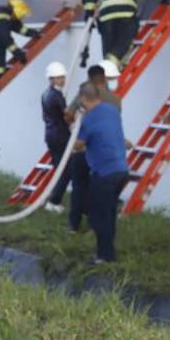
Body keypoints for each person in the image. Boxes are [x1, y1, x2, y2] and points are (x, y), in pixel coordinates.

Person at [60, 63, 123, 232]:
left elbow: (68, 115)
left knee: (79, 187)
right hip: (105, 153)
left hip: (83, 149)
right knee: (99, 190)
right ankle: (95, 225)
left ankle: (73, 225)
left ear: (89, 79)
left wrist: (75, 124)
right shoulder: (116, 100)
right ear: (105, 79)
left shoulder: (84, 96)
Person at [73, 83, 131, 263]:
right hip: (122, 171)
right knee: (109, 212)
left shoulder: (88, 120)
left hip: (104, 173)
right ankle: (108, 253)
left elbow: (78, 145)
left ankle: (104, 256)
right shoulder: (112, 110)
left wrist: (76, 126)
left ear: (83, 99)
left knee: (98, 215)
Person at [81, 0, 170, 69]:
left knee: (108, 47)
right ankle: (115, 61)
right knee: (126, 39)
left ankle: (110, 68)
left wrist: (89, 13)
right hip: (126, 15)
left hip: (106, 19)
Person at [42, 62, 72, 212]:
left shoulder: (46, 94)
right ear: (52, 79)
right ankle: (54, 201)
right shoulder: (56, 96)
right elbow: (67, 115)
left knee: (59, 168)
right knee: (65, 170)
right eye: (59, 77)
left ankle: (53, 200)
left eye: (63, 77)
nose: (62, 80)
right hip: (60, 136)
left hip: (50, 134)